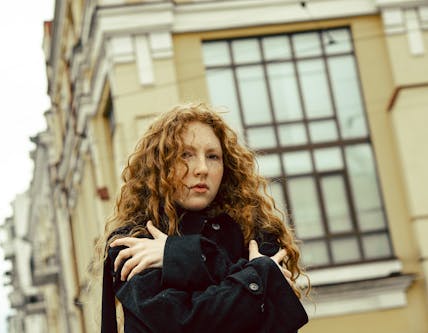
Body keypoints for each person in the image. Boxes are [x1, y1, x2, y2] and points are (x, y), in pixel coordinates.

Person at [100, 103, 308, 332]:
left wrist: (176, 255)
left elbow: (280, 323)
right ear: (160, 163)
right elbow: (182, 322)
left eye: (213, 156)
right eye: (185, 155)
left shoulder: (253, 230)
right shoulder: (133, 242)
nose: (202, 168)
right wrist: (258, 275)